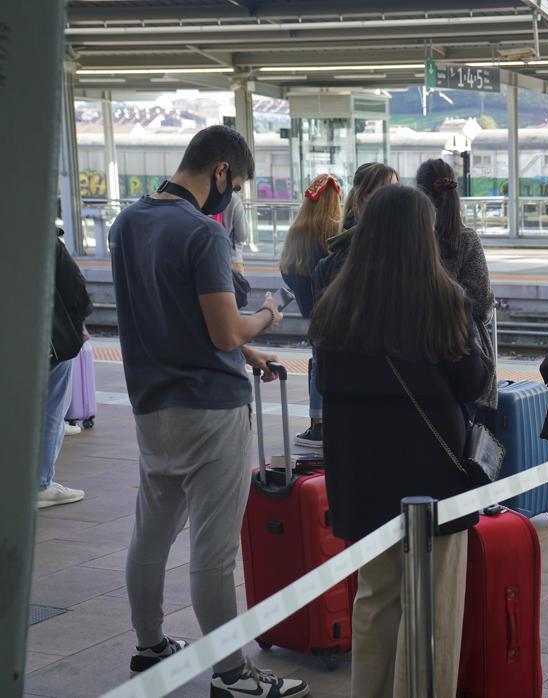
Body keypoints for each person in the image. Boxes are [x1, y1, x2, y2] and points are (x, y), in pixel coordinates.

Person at [109, 125, 306, 697]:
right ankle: (232, 675)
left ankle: (149, 645)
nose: (234, 196)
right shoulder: (203, 234)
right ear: (221, 171)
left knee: (152, 532)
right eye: (237, 184)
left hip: (152, 407)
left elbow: (171, 313)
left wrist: (247, 351)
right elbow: (222, 328)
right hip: (210, 411)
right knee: (213, 552)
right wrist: (267, 315)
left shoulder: (129, 223)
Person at [311, 184, 490, 697]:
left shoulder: (336, 301)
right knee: (433, 608)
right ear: (423, 236)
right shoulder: (442, 298)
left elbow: (326, 386)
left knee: (375, 600)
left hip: (362, 476)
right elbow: (473, 382)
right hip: (431, 479)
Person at [416, 158, 498, 408]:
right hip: (463, 359)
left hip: (418, 357)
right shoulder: (467, 239)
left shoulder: (412, 240)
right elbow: (482, 306)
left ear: (419, 194)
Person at [279, 173, 342, 448]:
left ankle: (318, 425)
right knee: (327, 365)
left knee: (317, 363)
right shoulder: (335, 231)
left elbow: (286, 269)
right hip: (337, 310)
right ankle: (327, 426)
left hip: (312, 312)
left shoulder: (296, 231)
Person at [39, 228, 93, 509]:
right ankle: (40, 484)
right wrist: (79, 322)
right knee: (50, 410)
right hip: (46, 343)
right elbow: (75, 288)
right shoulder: (39, 232)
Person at [311, 162, 399, 307]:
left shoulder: (332, 259)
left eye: (397, 188)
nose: (398, 196)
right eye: (388, 189)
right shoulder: (342, 257)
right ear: (365, 195)